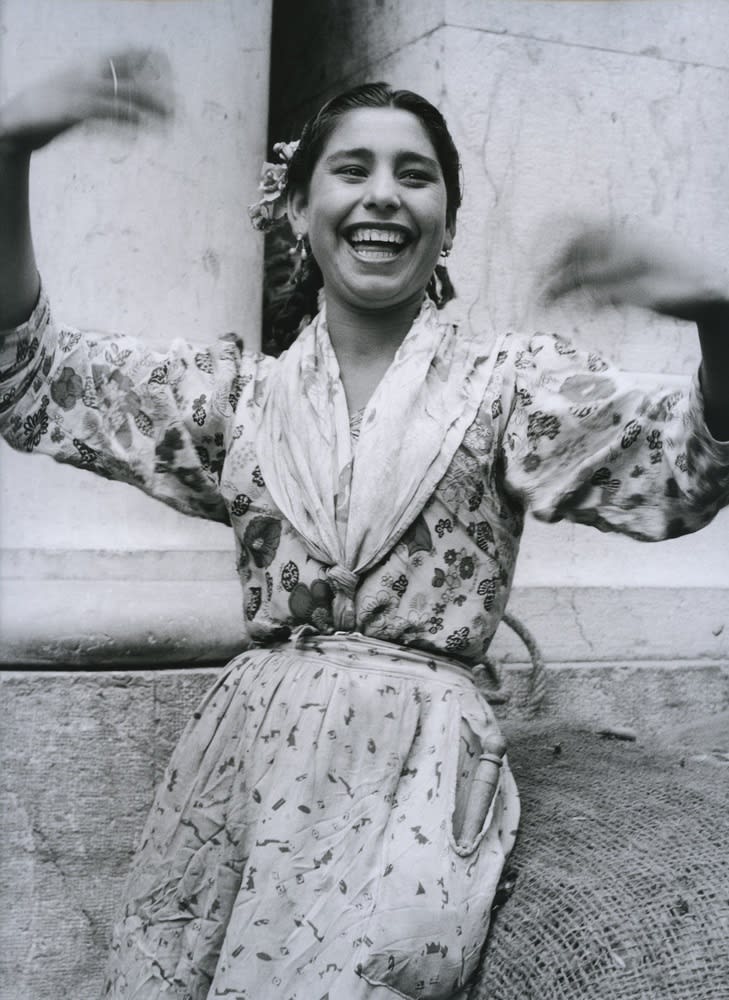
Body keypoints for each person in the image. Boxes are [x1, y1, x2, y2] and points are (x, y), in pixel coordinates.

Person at [1, 49, 728, 1000]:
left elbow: (685, 462)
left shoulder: (507, 390)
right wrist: (9, 152)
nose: (383, 194)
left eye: (414, 175)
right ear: (297, 209)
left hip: (414, 776)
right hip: (239, 774)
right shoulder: (236, 399)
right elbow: (34, 378)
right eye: (352, 169)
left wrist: (716, 314)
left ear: (447, 224)